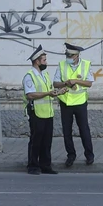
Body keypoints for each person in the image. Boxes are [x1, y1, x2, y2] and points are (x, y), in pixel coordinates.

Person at [23, 46, 64, 175]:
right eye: (44, 60)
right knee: (36, 140)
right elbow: (30, 95)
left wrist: (58, 92)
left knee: (47, 141)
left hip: (48, 112)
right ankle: (33, 166)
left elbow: (49, 91)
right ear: (37, 61)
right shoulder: (29, 76)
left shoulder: (45, 74)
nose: (46, 62)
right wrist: (48, 93)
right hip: (36, 112)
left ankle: (46, 165)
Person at [53, 43, 95, 167]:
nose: (69, 58)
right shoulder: (61, 65)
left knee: (84, 130)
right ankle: (71, 155)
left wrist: (76, 80)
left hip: (80, 102)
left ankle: (89, 155)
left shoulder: (86, 64)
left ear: (77, 56)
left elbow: (89, 83)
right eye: (67, 55)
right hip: (65, 103)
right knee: (67, 131)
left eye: (71, 56)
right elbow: (55, 83)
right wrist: (65, 83)